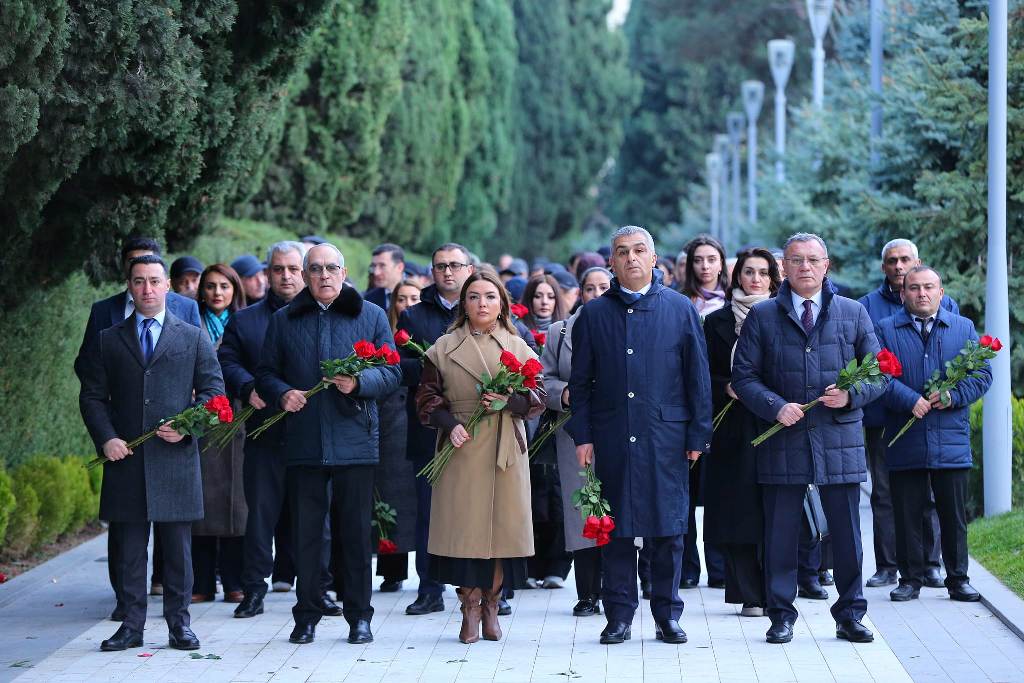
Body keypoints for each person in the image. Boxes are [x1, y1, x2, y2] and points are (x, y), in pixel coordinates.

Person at [732, 232, 884, 646]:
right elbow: (743, 377)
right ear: (784, 267)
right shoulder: (763, 316)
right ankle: (781, 615)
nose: (804, 267)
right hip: (784, 438)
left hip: (839, 439)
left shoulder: (852, 313)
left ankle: (851, 614)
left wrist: (852, 395)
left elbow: (880, 370)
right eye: (796, 260)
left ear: (826, 265)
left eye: (812, 260)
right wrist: (774, 405)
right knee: (780, 536)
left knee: (848, 536)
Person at [567, 225, 713, 646]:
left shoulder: (680, 309)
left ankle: (668, 615)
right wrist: (583, 435)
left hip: (667, 438)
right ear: (610, 262)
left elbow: (697, 379)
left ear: (654, 259)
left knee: (669, 532)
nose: (631, 258)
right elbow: (581, 383)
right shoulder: (594, 314)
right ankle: (619, 616)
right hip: (612, 436)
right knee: (614, 530)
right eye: (621, 252)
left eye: (639, 251)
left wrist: (697, 435)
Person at [256, 243, 401, 646]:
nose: (323, 275)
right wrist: (282, 393)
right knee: (305, 535)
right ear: (304, 275)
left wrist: (359, 383)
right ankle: (306, 615)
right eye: (315, 269)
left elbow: (391, 373)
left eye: (331, 268)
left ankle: (359, 617)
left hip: (355, 439)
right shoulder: (285, 319)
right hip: (304, 440)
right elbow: (265, 372)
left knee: (355, 534)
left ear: (344, 272)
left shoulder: (369, 315)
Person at [79, 254, 224, 652]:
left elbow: (214, 395)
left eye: (154, 281)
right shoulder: (109, 338)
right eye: (139, 281)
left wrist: (188, 427)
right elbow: (92, 396)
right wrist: (106, 438)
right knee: (128, 550)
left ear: (168, 286)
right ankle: (130, 625)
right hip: (125, 458)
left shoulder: (193, 337)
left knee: (177, 551)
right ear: (129, 285)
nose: (147, 289)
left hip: (175, 460)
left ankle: (180, 624)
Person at [397, 243, 538, 617]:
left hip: (504, 447)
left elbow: (537, 397)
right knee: (463, 532)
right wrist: (449, 424)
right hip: (461, 445)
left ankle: (493, 604)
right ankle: (469, 607)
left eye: (490, 296)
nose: (482, 304)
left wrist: (509, 402)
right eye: (473, 296)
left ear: (502, 303)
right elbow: (425, 396)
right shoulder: (443, 347)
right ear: (464, 303)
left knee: (500, 531)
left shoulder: (519, 346)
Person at [221, 242, 325, 619]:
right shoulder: (246, 320)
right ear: (266, 274)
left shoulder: (323, 317)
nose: (286, 276)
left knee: (315, 518)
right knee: (259, 518)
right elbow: (227, 360)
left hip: (313, 434)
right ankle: (253, 591)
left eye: (293, 269)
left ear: (307, 272)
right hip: (264, 433)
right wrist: (248, 388)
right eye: (278, 269)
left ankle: (318, 591)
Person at [875, 266, 991, 603]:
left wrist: (954, 395)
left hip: (950, 439)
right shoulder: (885, 329)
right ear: (903, 293)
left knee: (953, 516)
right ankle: (909, 579)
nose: (922, 293)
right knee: (907, 512)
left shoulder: (962, 328)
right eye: (914, 288)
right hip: (905, 437)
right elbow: (879, 376)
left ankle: (958, 579)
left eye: (929, 287)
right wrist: (910, 400)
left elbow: (981, 373)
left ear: (941, 292)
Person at [858, 238, 959, 589]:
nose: (899, 266)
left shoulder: (948, 305)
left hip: (933, 417)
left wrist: (943, 396)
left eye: (905, 260)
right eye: (892, 261)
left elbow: (956, 358)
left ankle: (930, 564)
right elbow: (870, 365)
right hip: (885, 419)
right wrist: (903, 398)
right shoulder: (868, 306)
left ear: (917, 261)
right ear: (883, 267)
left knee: (929, 494)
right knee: (885, 494)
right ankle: (888, 565)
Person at [702, 248, 782, 618]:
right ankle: (747, 592)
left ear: (772, 279)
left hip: (773, 420)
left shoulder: (783, 317)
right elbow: (700, 374)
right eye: (748, 272)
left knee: (775, 510)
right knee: (738, 510)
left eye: (763, 273)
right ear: (737, 277)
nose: (755, 279)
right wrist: (726, 387)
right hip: (731, 425)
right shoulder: (716, 321)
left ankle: (777, 589)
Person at [542, 266, 612, 616]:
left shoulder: (625, 324)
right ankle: (587, 593)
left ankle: (619, 589)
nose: (597, 294)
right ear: (579, 293)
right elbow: (545, 380)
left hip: (618, 431)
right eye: (590, 288)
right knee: (584, 508)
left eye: (604, 287)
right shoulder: (561, 331)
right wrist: (566, 393)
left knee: (619, 506)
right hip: (574, 431)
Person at [190, 264, 248, 603]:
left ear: (234, 289)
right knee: (202, 501)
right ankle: (201, 584)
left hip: (237, 415)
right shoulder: (190, 323)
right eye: (210, 286)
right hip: (201, 418)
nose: (217, 293)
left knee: (236, 503)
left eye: (224, 286)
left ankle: (234, 581)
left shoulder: (244, 322)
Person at [374, 279, 423, 592]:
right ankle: (392, 569)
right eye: (402, 298)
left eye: (414, 298)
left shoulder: (424, 330)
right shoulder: (382, 330)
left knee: (417, 499)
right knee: (389, 492)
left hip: (418, 414)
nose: (407, 304)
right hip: (390, 419)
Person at [680, 235, 729, 317]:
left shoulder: (734, 300)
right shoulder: (679, 300)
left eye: (711, 260)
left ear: (721, 264)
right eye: (697, 260)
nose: (705, 266)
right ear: (691, 265)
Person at [364, 243, 406, 310]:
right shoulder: (369, 299)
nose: (376, 272)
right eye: (374, 266)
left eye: (382, 266)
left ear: (399, 267)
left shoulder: (418, 296)